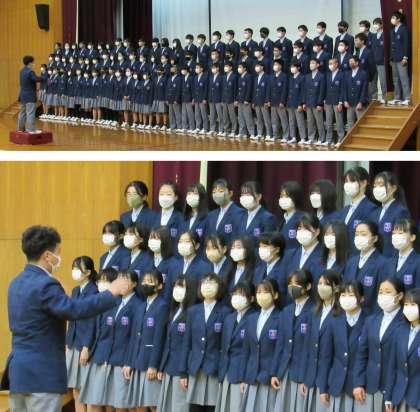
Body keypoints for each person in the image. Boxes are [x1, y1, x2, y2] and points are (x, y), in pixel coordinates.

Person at [5, 225, 128, 412]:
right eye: (58, 252)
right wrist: (111, 292)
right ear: (47, 256)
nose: (59, 258)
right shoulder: (46, 284)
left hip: (19, 374)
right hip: (42, 376)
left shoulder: (16, 282)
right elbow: (75, 310)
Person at [353, 278, 405, 412]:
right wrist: (358, 382)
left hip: (394, 390)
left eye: (388, 292)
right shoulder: (371, 320)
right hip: (369, 387)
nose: (383, 295)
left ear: (399, 296)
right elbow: (362, 354)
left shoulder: (406, 321)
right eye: (381, 292)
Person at [239, 278, 282, 412]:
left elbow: (280, 349)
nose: (261, 295)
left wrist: (274, 373)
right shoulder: (251, 318)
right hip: (251, 376)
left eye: (266, 292)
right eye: (258, 292)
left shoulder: (281, 317)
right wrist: (243, 377)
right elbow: (246, 350)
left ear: (275, 295)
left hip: (269, 377)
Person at [215, 282, 256, 412]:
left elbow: (252, 352)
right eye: (235, 294)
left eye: (242, 294)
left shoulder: (254, 318)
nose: (237, 297)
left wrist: (245, 377)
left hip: (241, 374)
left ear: (251, 298)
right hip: (226, 372)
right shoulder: (229, 318)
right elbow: (224, 347)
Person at [66, 256, 99, 412]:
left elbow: (92, 321)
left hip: (84, 346)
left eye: (78, 268)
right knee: (76, 390)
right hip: (73, 344)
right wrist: (67, 343)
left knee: (87, 391)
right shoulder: (75, 290)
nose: (75, 271)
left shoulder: (94, 291)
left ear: (88, 272)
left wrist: (86, 347)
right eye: (73, 268)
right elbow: (71, 317)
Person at [385, 288, 420, 412]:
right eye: (406, 304)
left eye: (413, 304)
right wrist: (388, 397)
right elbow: (392, 366)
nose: (409, 308)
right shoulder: (400, 331)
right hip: (399, 398)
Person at [17, 56, 47, 133]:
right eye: (33, 62)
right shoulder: (30, 71)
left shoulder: (21, 71)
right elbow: (36, 79)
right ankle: (31, 129)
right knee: (30, 113)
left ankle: (20, 129)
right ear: (30, 63)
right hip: (30, 96)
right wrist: (45, 78)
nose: (34, 64)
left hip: (22, 96)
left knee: (22, 113)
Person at [388, 11, 411, 106]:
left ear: (399, 19)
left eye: (394, 18)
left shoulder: (404, 29)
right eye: (392, 18)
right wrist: (390, 58)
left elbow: (406, 44)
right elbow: (391, 45)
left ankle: (407, 98)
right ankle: (397, 97)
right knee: (395, 79)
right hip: (394, 59)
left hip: (402, 58)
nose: (392, 20)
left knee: (404, 78)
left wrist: (405, 57)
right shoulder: (392, 30)